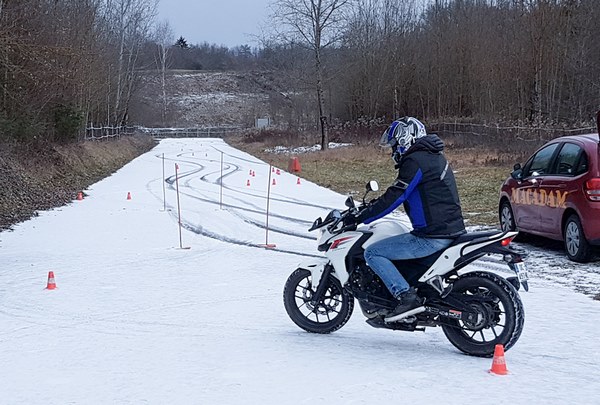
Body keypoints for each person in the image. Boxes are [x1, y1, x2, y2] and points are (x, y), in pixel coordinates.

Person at [352, 117, 466, 317]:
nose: (393, 151)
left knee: (373, 253)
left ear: (405, 139)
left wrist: (362, 217)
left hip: (432, 236)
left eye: (394, 145)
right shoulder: (433, 156)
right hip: (448, 229)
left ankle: (406, 297)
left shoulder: (415, 161)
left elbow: (396, 196)